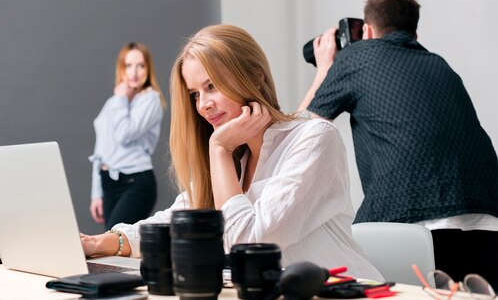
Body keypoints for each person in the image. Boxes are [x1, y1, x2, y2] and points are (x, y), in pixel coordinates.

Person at [81, 24, 383, 280]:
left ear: (254, 76)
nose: (203, 105)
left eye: (212, 86)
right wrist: (101, 242)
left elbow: (247, 245)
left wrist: (219, 148)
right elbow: (177, 221)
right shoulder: (234, 159)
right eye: (195, 94)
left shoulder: (313, 139)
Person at [298, 0, 498, 287]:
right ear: (413, 30)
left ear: (367, 30)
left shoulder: (358, 55)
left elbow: (301, 131)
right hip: (486, 213)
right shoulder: (439, 64)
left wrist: (326, 67)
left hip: (409, 218)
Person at [88, 42, 166, 231]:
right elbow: (101, 149)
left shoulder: (150, 100)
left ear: (148, 69)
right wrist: (96, 193)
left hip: (135, 182)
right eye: (128, 65)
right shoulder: (113, 102)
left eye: (140, 65)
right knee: (111, 245)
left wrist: (121, 98)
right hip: (108, 182)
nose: (134, 72)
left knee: (114, 240)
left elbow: (125, 134)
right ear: (121, 69)